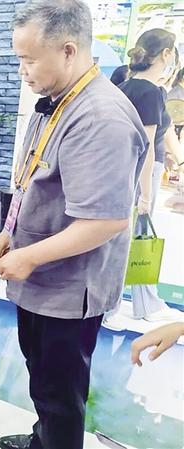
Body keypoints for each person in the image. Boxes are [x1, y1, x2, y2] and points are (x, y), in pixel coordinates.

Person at [0, 1, 148, 448]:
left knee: (60, 392)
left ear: (67, 51)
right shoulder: (59, 100)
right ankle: (42, 439)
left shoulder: (99, 118)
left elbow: (106, 220)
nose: (22, 70)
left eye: (29, 59)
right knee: (42, 376)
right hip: (42, 276)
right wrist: (12, 232)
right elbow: (36, 179)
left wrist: (28, 256)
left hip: (69, 286)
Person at [103, 29, 184, 330]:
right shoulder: (150, 91)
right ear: (166, 54)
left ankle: (142, 303)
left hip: (124, 171)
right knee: (132, 241)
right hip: (141, 174)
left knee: (129, 239)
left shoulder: (125, 87)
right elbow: (147, 146)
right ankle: (120, 306)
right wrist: (146, 194)